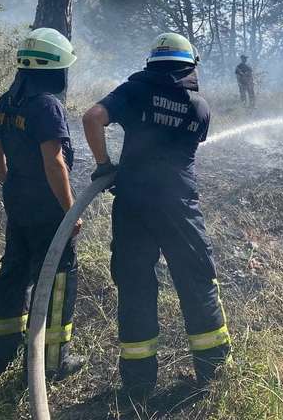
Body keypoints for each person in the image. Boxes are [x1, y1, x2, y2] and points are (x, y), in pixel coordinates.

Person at [83, 33, 231, 398]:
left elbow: (92, 118)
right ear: (190, 66)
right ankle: (213, 373)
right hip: (178, 204)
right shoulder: (199, 106)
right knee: (196, 280)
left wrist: (104, 166)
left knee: (135, 286)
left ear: (153, 63)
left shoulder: (134, 91)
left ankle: (138, 383)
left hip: (132, 202)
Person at [0, 27, 83, 378]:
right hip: (47, 208)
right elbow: (54, 162)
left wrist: (8, 183)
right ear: (54, 69)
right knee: (59, 275)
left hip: (17, 200)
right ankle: (55, 359)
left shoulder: (7, 101)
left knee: (14, 270)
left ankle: (3, 353)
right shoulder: (47, 105)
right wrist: (70, 209)